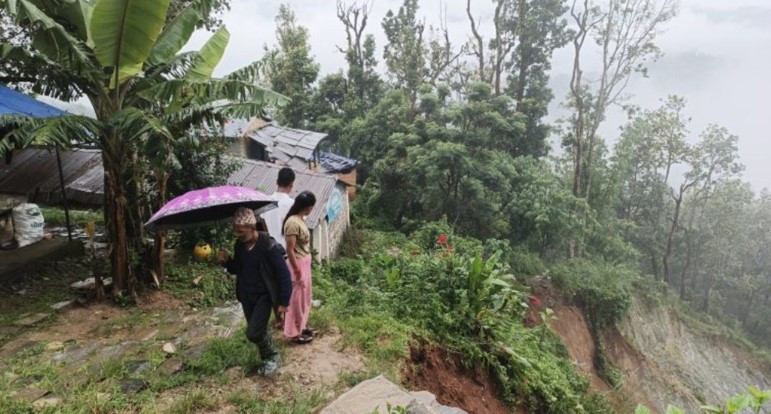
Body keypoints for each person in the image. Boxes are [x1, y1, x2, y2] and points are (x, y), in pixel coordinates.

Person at [220, 207, 292, 376]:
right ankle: (267, 358)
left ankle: (273, 355)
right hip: (246, 295)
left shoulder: (268, 246)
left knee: (253, 333)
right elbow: (238, 268)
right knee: (258, 329)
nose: (238, 234)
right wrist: (226, 261)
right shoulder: (239, 245)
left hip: (264, 296)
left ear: (252, 227)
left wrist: (284, 301)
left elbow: (283, 275)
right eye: (235, 230)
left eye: (240, 230)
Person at [261, 167, 295, 328]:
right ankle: (288, 320)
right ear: (291, 184)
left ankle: (279, 319)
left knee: (273, 286)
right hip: (286, 253)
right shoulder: (292, 204)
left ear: (276, 182)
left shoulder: (265, 202)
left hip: (268, 250)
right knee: (288, 285)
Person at [282, 191, 316, 344]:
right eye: (311, 206)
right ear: (307, 207)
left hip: (304, 262)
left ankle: (301, 326)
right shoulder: (292, 223)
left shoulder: (300, 219)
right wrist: (297, 271)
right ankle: (294, 333)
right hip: (298, 265)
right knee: (296, 299)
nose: (311, 209)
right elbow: (290, 250)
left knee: (304, 298)